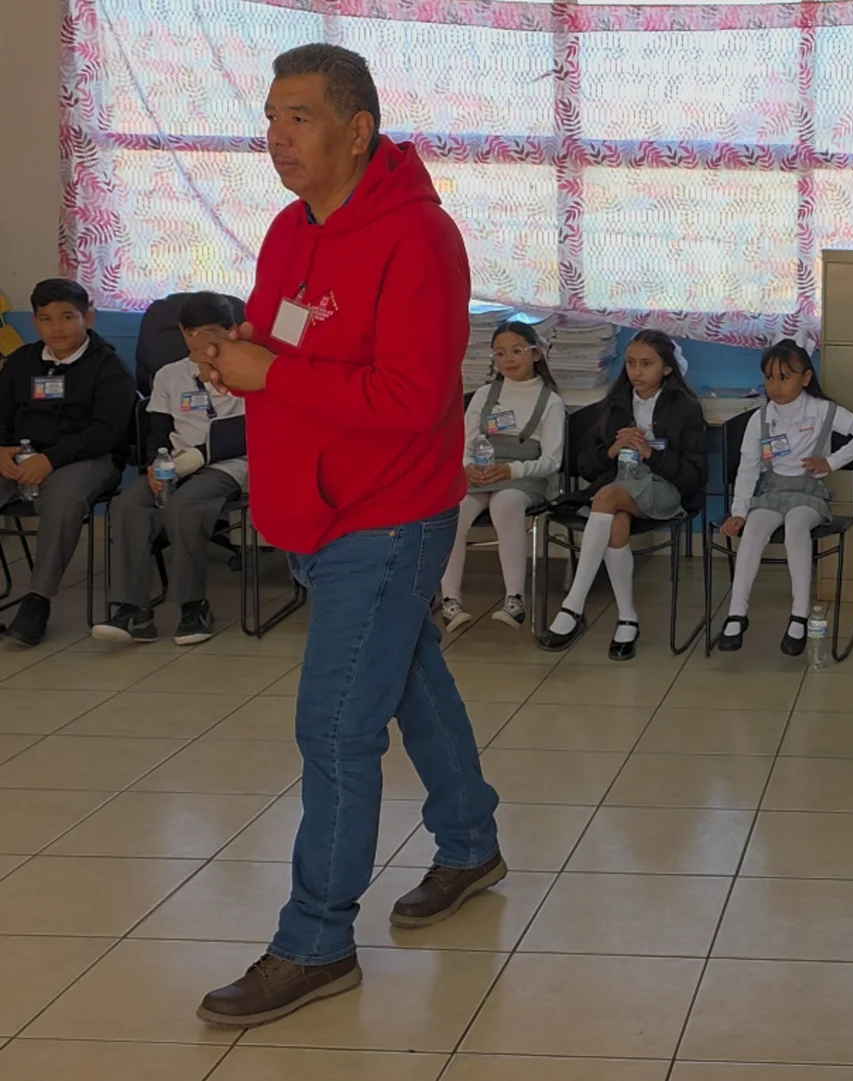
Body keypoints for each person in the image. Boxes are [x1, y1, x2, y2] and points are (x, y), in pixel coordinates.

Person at [191, 43, 503, 1028]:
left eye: (299, 117)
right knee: (411, 678)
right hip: (308, 510)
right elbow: (283, 343)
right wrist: (231, 357)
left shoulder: (420, 239)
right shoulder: (290, 228)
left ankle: (316, 938)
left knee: (335, 727)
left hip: (389, 511)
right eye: (272, 115)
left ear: (356, 129)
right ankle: (468, 843)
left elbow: (413, 399)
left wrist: (268, 376)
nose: (276, 136)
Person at [535, 329, 706, 659]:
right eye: (630, 363)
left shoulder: (685, 408)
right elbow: (585, 465)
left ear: (667, 368)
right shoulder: (614, 404)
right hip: (619, 484)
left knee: (608, 499)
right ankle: (628, 618)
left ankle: (573, 606)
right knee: (616, 520)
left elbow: (694, 477)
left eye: (646, 364)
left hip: (663, 487)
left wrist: (650, 453)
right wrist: (612, 450)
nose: (636, 372)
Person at [94, 292, 248, 645]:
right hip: (173, 465)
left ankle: (193, 606)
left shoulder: (246, 372)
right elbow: (158, 431)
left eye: (211, 332)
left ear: (231, 330)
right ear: (182, 332)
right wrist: (154, 465)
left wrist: (193, 460)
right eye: (192, 333)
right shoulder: (169, 375)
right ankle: (133, 610)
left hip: (228, 466)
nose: (200, 340)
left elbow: (249, 434)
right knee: (128, 505)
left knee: (184, 506)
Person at [714, 339, 853, 655]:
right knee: (754, 530)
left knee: (796, 527)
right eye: (769, 377)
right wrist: (739, 512)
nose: (775, 386)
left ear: (804, 377)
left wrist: (830, 462)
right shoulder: (759, 419)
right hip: (771, 492)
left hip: (808, 493)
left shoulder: (823, 411)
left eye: (784, 377)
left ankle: (799, 614)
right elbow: (748, 470)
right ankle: (736, 613)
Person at [0, 278, 136, 647]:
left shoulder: (109, 367)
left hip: (89, 459)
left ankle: (37, 602)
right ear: (34, 322)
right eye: (45, 319)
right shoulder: (20, 362)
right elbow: (3, 414)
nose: (56, 328)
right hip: (22, 457)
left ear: (88, 317)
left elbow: (106, 432)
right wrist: (2, 449)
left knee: (64, 499)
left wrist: (50, 459)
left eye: (66, 318)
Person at [439, 320, 565, 632]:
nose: (509, 359)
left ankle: (514, 599)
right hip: (479, 473)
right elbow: (464, 441)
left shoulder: (550, 401)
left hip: (523, 476)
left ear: (535, 354)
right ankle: (449, 599)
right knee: (453, 510)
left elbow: (552, 460)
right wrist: (469, 466)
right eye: (500, 353)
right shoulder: (484, 395)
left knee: (505, 504)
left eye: (517, 351)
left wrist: (512, 470)